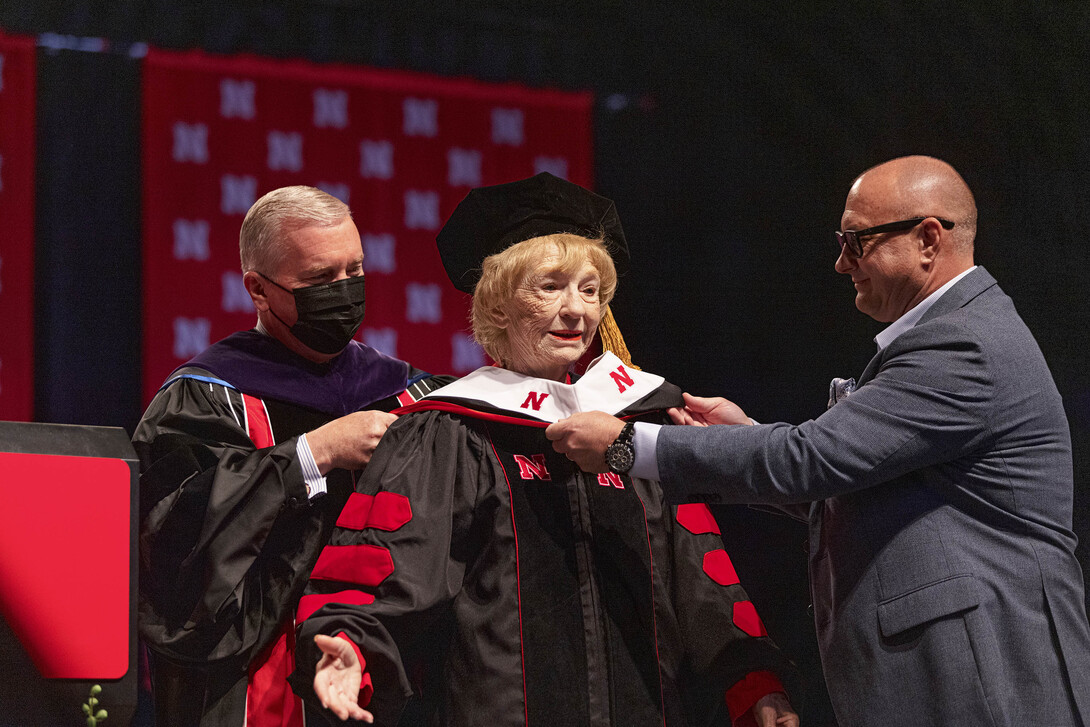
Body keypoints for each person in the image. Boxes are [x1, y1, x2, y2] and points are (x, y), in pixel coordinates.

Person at [546, 156, 1090, 726]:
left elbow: (811, 458)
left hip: (984, 686)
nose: (839, 264)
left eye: (857, 243)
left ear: (929, 239)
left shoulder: (963, 346)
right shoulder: (953, 334)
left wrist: (631, 444)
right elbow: (851, 486)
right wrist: (750, 437)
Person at [290, 173, 799, 727]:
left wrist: (752, 679)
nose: (577, 310)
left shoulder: (639, 425)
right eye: (550, 286)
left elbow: (700, 578)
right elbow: (389, 560)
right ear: (500, 305)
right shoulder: (451, 431)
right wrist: (347, 643)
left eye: (589, 289)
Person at [134, 186, 450, 727]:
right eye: (320, 280)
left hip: (384, 678)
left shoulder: (408, 394)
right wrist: (314, 453)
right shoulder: (206, 397)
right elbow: (174, 541)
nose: (344, 291)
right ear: (258, 289)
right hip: (258, 684)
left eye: (354, 272)